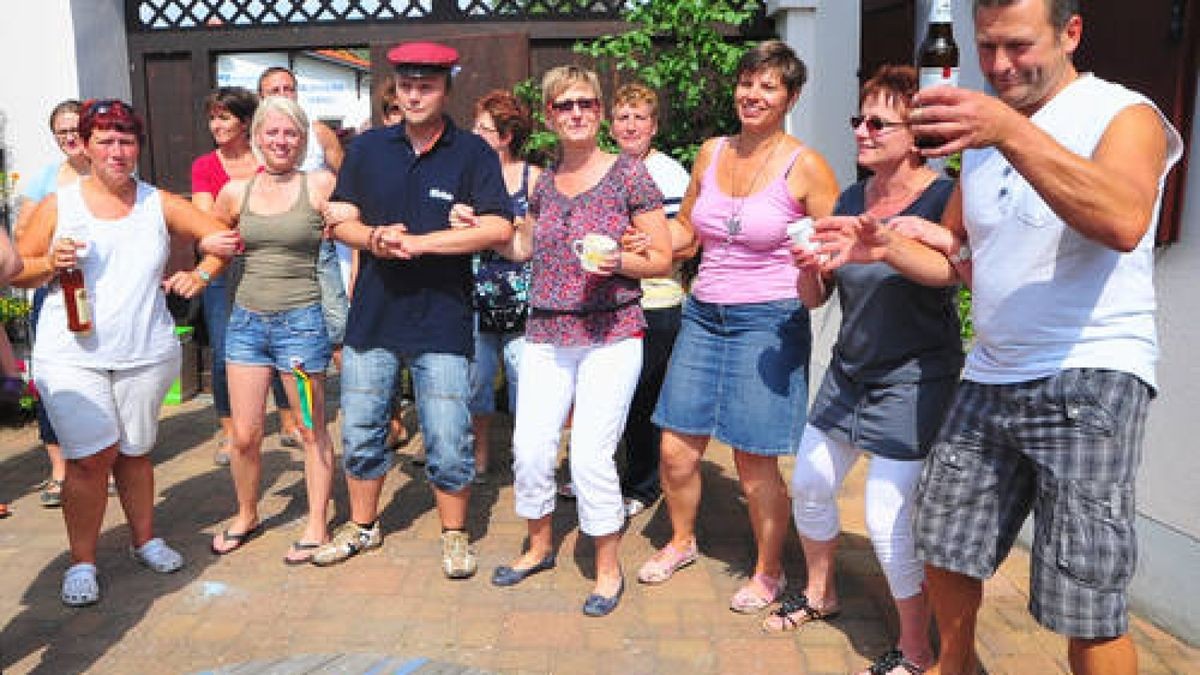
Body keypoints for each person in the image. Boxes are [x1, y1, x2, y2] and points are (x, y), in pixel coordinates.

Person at [818, 1, 1183, 673]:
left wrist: (1008, 130)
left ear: (1071, 33)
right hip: (991, 372)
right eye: (986, 48)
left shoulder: (1122, 115)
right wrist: (886, 247)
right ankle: (953, 665)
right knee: (945, 543)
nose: (999, 65)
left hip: (1090, 376)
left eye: (1017, 46)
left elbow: (1125, 218)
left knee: (1085, 592)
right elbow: (957, 257)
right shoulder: (983, 139)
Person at [759, 65, 959, 675]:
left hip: (915, 375)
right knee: (814, 483)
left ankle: (918, 648)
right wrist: (805, 266)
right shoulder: (850, 196)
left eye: (878, 122)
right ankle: (822, 591)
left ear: (915, 132)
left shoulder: (944, 195)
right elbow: (818, 297)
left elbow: (953, 275)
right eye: (859, 120)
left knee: (884, 516)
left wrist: (892, 244)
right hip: (851, 369)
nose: (864, 131)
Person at [637, 39, 839, 614]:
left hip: (768, 322)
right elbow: (686, 231)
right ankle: (681, 541)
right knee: (676, 449)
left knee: (754, 462)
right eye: (747, 83)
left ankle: (769, 570)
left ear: (791, 96)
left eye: (768, 86)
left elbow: (829, 256)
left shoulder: (808, 167)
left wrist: (816, 273)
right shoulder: (710, 151)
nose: (753, 94)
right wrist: (650, 242)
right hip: (703, 313)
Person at [10, 99, 235, 606]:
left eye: (126, 140)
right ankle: (83, 562)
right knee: (89, 461)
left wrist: (201, 274)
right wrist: (48, 261)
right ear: (85, 146)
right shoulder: (59, 204)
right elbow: (16, 267)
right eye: (106, 140)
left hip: (145, 349)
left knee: (134, 453)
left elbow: (221, 238)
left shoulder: (159, 202)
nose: (117, 150)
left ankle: (144, 539)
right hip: (71, 354)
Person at [317, 42, 513, 577]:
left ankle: (454, 535)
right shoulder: (368, 149)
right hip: (373, 315)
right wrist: (374, 237)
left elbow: (500, 228)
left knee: (448, 435)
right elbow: (342, 220)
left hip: (443, 317)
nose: (415, 94)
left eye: (427, 85)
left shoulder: (472, 153)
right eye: (407, 85)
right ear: (395, 89)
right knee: (360, 429)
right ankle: (363, 526)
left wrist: (424, 243)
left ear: (446, 89)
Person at [485, 66, 672, 617]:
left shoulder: (629, 174)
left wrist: (621, 259)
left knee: (591, 454)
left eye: (585, 103)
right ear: (548, 115)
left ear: (599, 110)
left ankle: (608, 567)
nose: (575, 113)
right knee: (531, 447)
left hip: (610, 332)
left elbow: (660, 257)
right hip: (546, 330)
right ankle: (539, 546)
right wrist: (489, 228)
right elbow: (524, 249)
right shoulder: (540, 182)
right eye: (563, 105)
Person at [207, 96, 338, 564]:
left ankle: (317, 522)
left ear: (302, 140)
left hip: (301, 329)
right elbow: (215, 241)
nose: (281, 141)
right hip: (245, 327)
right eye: (273, 133)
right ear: (257, 137)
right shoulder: (235, 192)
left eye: (291, 133)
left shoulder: (320, 185)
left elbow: (353, 230)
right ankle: (247, 513)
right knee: (243, 435)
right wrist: (204, 263)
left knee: (309, 427)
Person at [190, 86, 296, 466]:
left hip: (270, 265)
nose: (216, 125)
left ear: (246, 122)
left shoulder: (264, 160)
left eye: (224, 117)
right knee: (224, 352)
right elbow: (205, 221)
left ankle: (287, 421)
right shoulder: (206, 165)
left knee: (284, 344)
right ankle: (231, 430)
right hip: (223, 267)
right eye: (213, 117)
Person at [609, 83, 692, 518]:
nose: (631, 125)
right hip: (609, 301)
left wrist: (649, 245)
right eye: (623, 116)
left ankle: (641, 486)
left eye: (640, 117)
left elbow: (689, 241)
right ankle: (606, 478)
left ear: (655, 126)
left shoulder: (669, 173)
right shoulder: (606, 169)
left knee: (643, 398)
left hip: (655, 302)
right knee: (610, 396)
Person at [10, 100, 89, 507]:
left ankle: (101, 463)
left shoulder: (111, 170)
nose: (70, 137)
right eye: (62, 133)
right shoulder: (44, 181)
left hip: (105, 291)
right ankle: (59, 468)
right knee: (53, 377)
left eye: (75, 128)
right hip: (55, 290)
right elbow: (22, 243)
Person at [466, 89, 542, 484]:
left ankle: (525, 459)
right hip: (473, 296)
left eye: (483, 129)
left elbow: (539, 239)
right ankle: (479, 455)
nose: (474, 134)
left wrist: (497, 227)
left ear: (506, 136)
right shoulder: (466, 176)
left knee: (524, 383)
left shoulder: (533, 178)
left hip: (523, 299)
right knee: (476, 383)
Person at [258, 66, 351, 375]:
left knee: (338, 325)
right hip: (274, 249)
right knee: (288, 333)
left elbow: (349, 180)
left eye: (289, 88)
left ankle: (357, 402)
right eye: (275, 90)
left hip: (319, 243)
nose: (284, 95)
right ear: (261, 97)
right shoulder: (255, 141)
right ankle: (302, 411)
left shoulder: (319, 132)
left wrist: (338, 212)